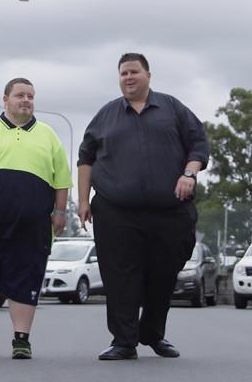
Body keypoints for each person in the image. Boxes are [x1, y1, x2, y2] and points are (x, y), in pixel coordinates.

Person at [78, 53, 210, 360]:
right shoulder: (105, 115)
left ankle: (151, 333)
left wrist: (189, 173)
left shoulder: (173, 108)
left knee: (163, 274)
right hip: (115, 211)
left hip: (170, 211)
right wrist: (84, 202)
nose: (128, 77)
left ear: (148, 75)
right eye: (123, 73)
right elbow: (86, 159)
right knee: (119, 276)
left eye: (134, 72)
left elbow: (198, 143)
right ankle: (124, 341)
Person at [0, 77, 72, 359]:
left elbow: (61, 180)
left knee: (26, 279)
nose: (26, 100)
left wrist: (59, 212)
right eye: (20, 95)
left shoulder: (48, 135)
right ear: (5, 99)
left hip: (32, 227)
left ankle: (22, 339)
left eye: (30, 96)